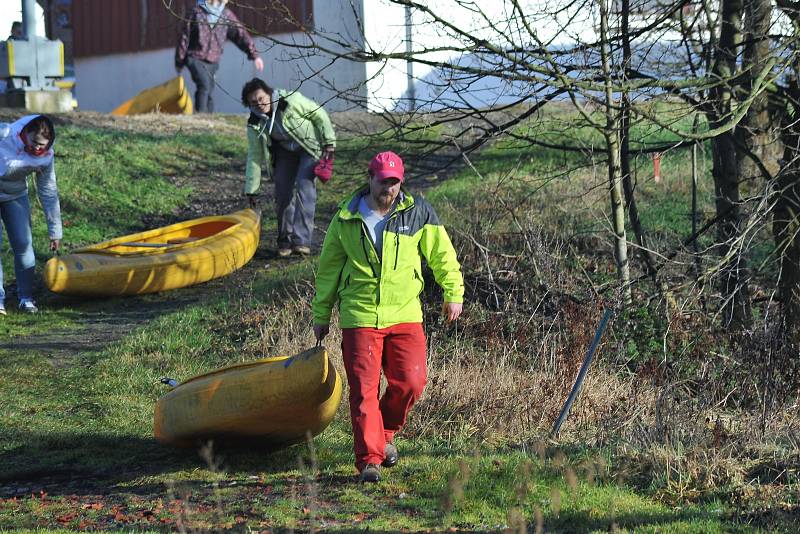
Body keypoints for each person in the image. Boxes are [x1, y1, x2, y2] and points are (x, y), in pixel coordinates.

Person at [311, 151, 464, 482]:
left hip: (405, 312)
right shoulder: (346, 217)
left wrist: (454, 293)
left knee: (411, 382)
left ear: (401, 182)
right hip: (360, 314)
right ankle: (369, 460)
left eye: (395, 183)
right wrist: (321, 313)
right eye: (384, 182)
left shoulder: (418, 212)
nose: (389, 189)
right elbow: (329, 269)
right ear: (370, 179)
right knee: (364, 391)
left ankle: (386, 431)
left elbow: (442, 255)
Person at [241, 78, 336, 257]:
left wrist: (328, 142)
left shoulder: (290, 101)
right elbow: (254, 156)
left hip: (308, 147)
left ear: (268, 94)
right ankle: (284, 240)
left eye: (261, 99)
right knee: (283, 193)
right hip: (284, 150)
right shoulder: (255, 122)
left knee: (304, 187)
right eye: (254, 102)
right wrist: (251, 189)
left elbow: (319, 113)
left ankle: (302, 242)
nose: (260, 104)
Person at [0, 115, 63, 315]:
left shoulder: (46, 157)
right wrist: (25, 165)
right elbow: (4, 167)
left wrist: (55, 231)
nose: (38, 150)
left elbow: (48, 191)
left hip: (15, 195)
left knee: (24, 244)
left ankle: (26, 298)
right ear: (25, 134)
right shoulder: (5, 134)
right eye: (35, 144)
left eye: (43, 146)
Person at [175, 0, 264, 113]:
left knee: (209, 89)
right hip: (195, 56)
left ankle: (209, 120)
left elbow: (240, 34)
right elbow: (184, 37)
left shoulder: (225, 15)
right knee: (204, 85)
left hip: (213, 60)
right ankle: (199, 116)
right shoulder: (196, 12)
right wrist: (179, 60)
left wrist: (254, 55)